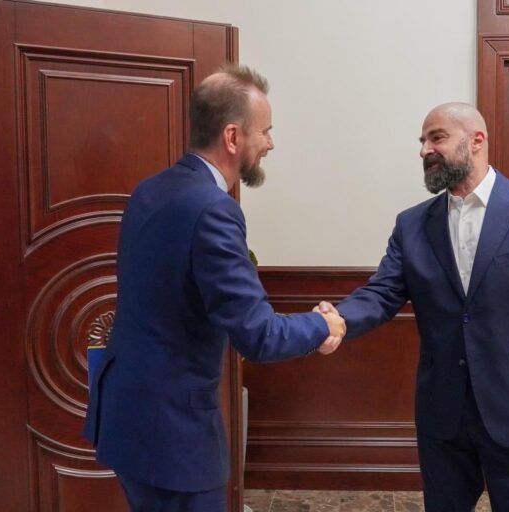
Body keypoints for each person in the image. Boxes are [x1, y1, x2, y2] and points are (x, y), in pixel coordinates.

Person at [318, 103, 509, 511]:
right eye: (422, 141)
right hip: (443, 412)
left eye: (436, 137)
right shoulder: (412, 224)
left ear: (476, 140)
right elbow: (382, 292)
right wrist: (339, 320)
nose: (425, 150)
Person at [83, 65, 346, 512]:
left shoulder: (149, 191)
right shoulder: (212, 208)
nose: (270, 143)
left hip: (125, 418)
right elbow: (258, 335)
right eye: (265, 131)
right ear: (232, 136)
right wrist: (324, 326)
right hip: (173, 437)